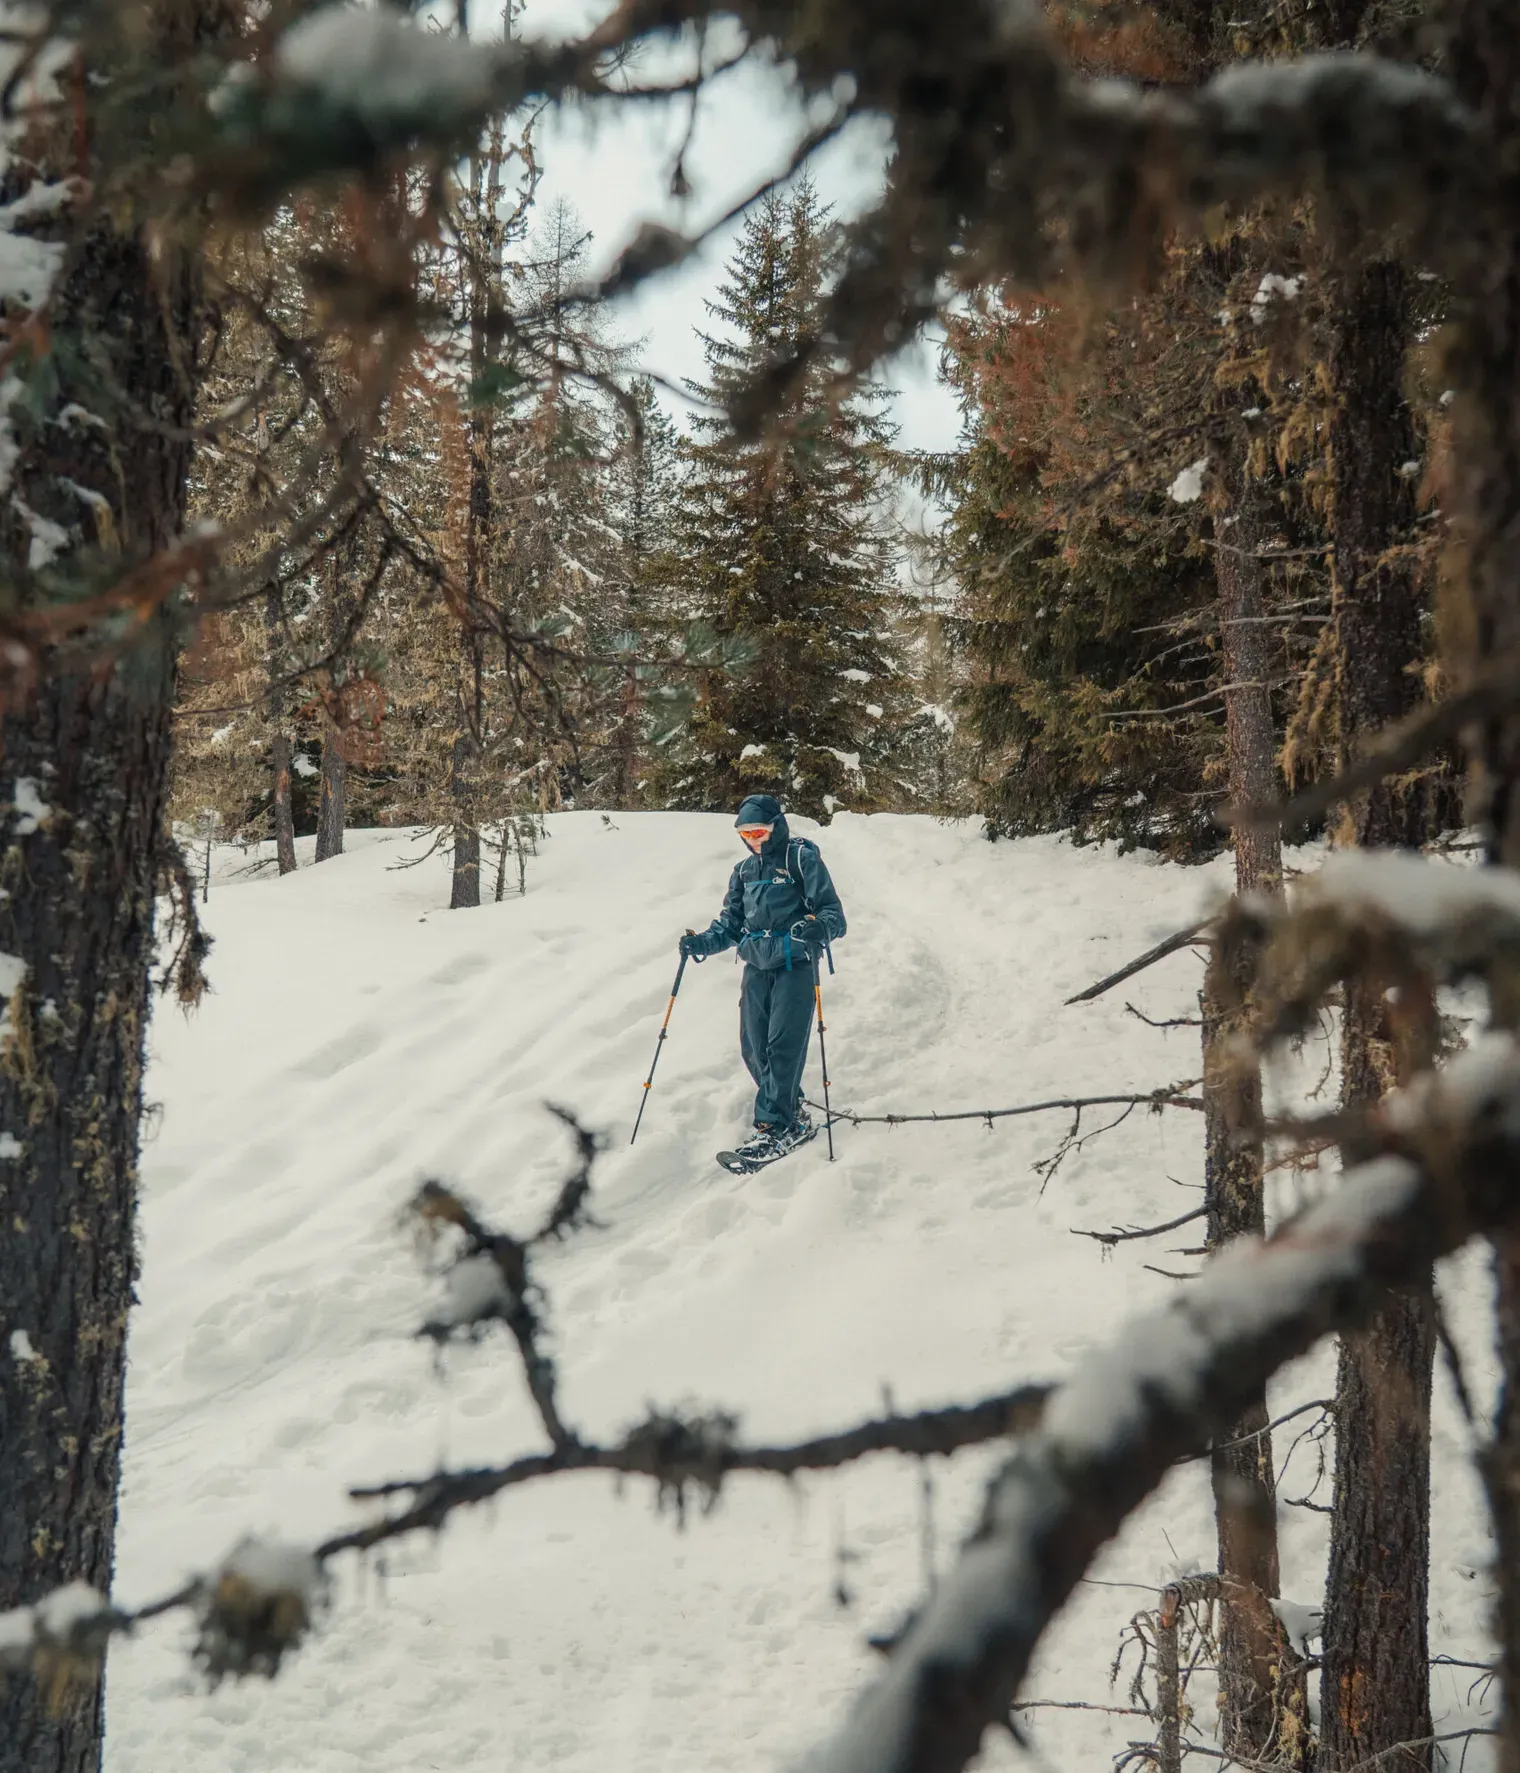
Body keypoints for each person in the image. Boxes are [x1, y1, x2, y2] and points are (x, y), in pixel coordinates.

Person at [679, 794, 847, 1165]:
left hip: (795, 964)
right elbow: (730, 926)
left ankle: (775, 1127)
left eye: (760, 831)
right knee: (753, 1048)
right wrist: (700, 942)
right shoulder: (743, 872)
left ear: (776, 826)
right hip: (756, 966)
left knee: (782, 1046)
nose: (754, 839)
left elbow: (833, 914)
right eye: (746, 833)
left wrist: (818, 929)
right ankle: (791, 1109)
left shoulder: (801, 858)